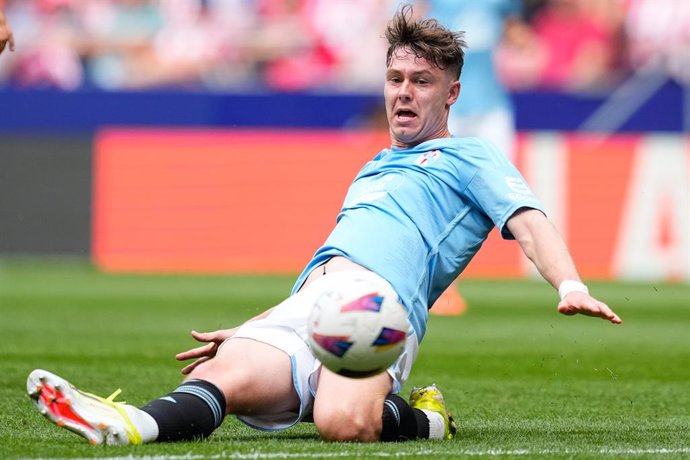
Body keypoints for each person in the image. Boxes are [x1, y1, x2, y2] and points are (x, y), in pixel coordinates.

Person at [26, 5, 621, 446]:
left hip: (377, 308)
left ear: (452, 93)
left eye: (421, 83)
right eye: (395, 80)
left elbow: (531, 221)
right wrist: (257, 323)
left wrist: (570, 285)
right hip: (310, 304)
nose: (404, 95)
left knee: (343, 424)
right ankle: (127, 424)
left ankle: (426, 420)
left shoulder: (473, 156)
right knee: (221, 374)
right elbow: (334, 261)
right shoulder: (372, 167)